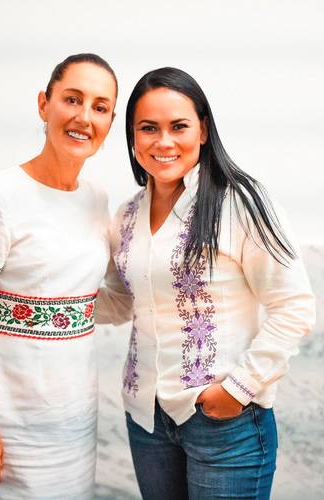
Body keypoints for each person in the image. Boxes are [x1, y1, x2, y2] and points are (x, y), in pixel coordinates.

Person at [96, 67, 315, 499]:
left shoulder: (241, 202)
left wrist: (237, 390)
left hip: (225, 423)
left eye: (178, 126)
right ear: (132, 137)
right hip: (146, 421)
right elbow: (122, 302)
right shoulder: (126, 215)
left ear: (203, 130)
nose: (163, 141)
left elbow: (294, 306)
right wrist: (37, 298)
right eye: (148, 128)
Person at [0, 53, 117, 499]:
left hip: (76, 422)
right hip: (10, 428)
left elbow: (99, 298)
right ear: (44, 104)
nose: (84, 117)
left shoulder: (98, 199)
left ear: (110, 122)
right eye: (72, 99)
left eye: (100, 107)